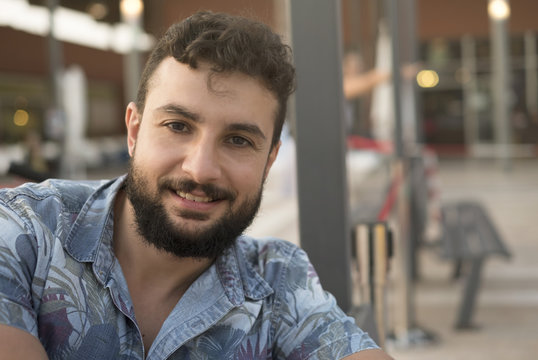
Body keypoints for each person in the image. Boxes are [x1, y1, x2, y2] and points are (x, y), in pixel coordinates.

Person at [0, 11, 393, 360]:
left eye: (238, 140)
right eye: (177, 126)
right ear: (134, 131)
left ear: (269, 160)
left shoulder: (278, 282)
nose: (201, 170)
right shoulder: (26, 233)